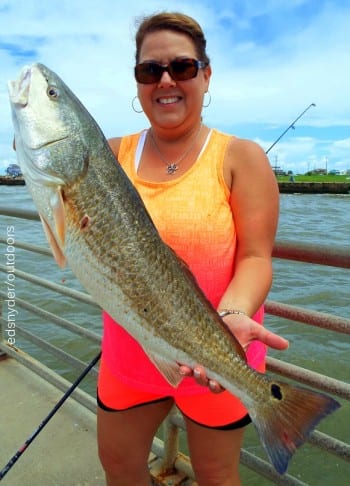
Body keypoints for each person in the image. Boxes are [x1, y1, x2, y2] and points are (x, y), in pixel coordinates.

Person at [97, 12, 289, 486]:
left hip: (221, 355)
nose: (166, 80)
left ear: (206, 74)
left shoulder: (241, 157)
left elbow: (255, 257)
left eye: (182, 67)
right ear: (138, 81)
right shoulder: (107, 155)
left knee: (217, 475)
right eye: (150, 70)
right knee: (119, 468)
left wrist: (231, 317)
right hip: (129, 354)